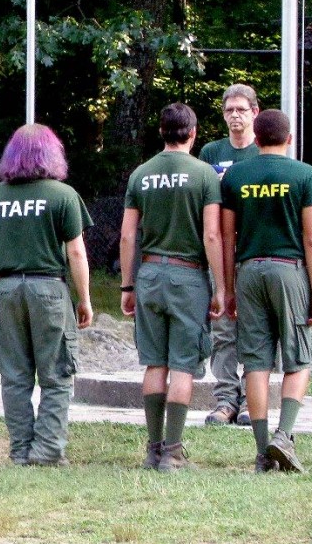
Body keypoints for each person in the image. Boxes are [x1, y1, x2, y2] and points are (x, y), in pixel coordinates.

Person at [0, 124, 94, 467]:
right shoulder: (62, 195)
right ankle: (47, 450)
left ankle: (20, 449)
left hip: (8, 288)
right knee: (56, 374)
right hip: (49, 289)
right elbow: (76, 253)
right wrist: (84, 298)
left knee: (14, 377)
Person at [221, 109, 312, 473]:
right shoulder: (304, 174)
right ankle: (284, 435)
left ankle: (263, 452)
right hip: (289, 271)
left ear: (256, 138)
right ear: (289, 138)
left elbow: (227, 236)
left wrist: (229, 287)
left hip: (249, 271)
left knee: (256, 361)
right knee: (299, 359)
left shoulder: (236, 175)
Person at [120, 103, 225, 472]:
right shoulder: (204, 175)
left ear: (161, 132)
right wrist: (221, 286)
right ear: (193, 133)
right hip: (188, 277)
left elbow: (128, 233)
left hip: (148, 274)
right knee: (182, 365)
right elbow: (212, 234)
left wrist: (127, 284)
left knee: (154, 362)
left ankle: (152, 449)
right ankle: (174, 452)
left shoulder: (141, 174)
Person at [199, 83, 261, 427]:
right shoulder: (211, 152)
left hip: (252, 249)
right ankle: (225, 398)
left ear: (254, 112)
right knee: (222, 327)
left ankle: (254, 399)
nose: (235, 115)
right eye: (229, 110)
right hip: (218, 250)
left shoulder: (262, 151)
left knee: (254, 328)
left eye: (241, 109)